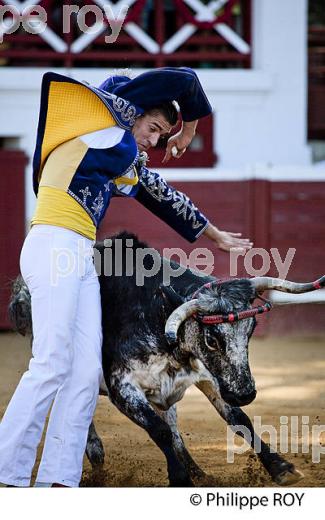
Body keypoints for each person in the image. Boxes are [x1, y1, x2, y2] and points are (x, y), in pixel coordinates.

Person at [0, 67, 252, 488]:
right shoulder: (103, 130)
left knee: (82, 373)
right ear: (129, 110)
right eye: (153, 128)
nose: (155, 141)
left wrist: (214, 235)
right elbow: (185, 80)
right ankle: (7, 470)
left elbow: (159, 195)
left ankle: (58, 481)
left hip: (79, 254)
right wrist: (187, 129)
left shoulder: (114, 151)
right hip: (54, 245)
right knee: (50, 364)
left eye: (160, 134)